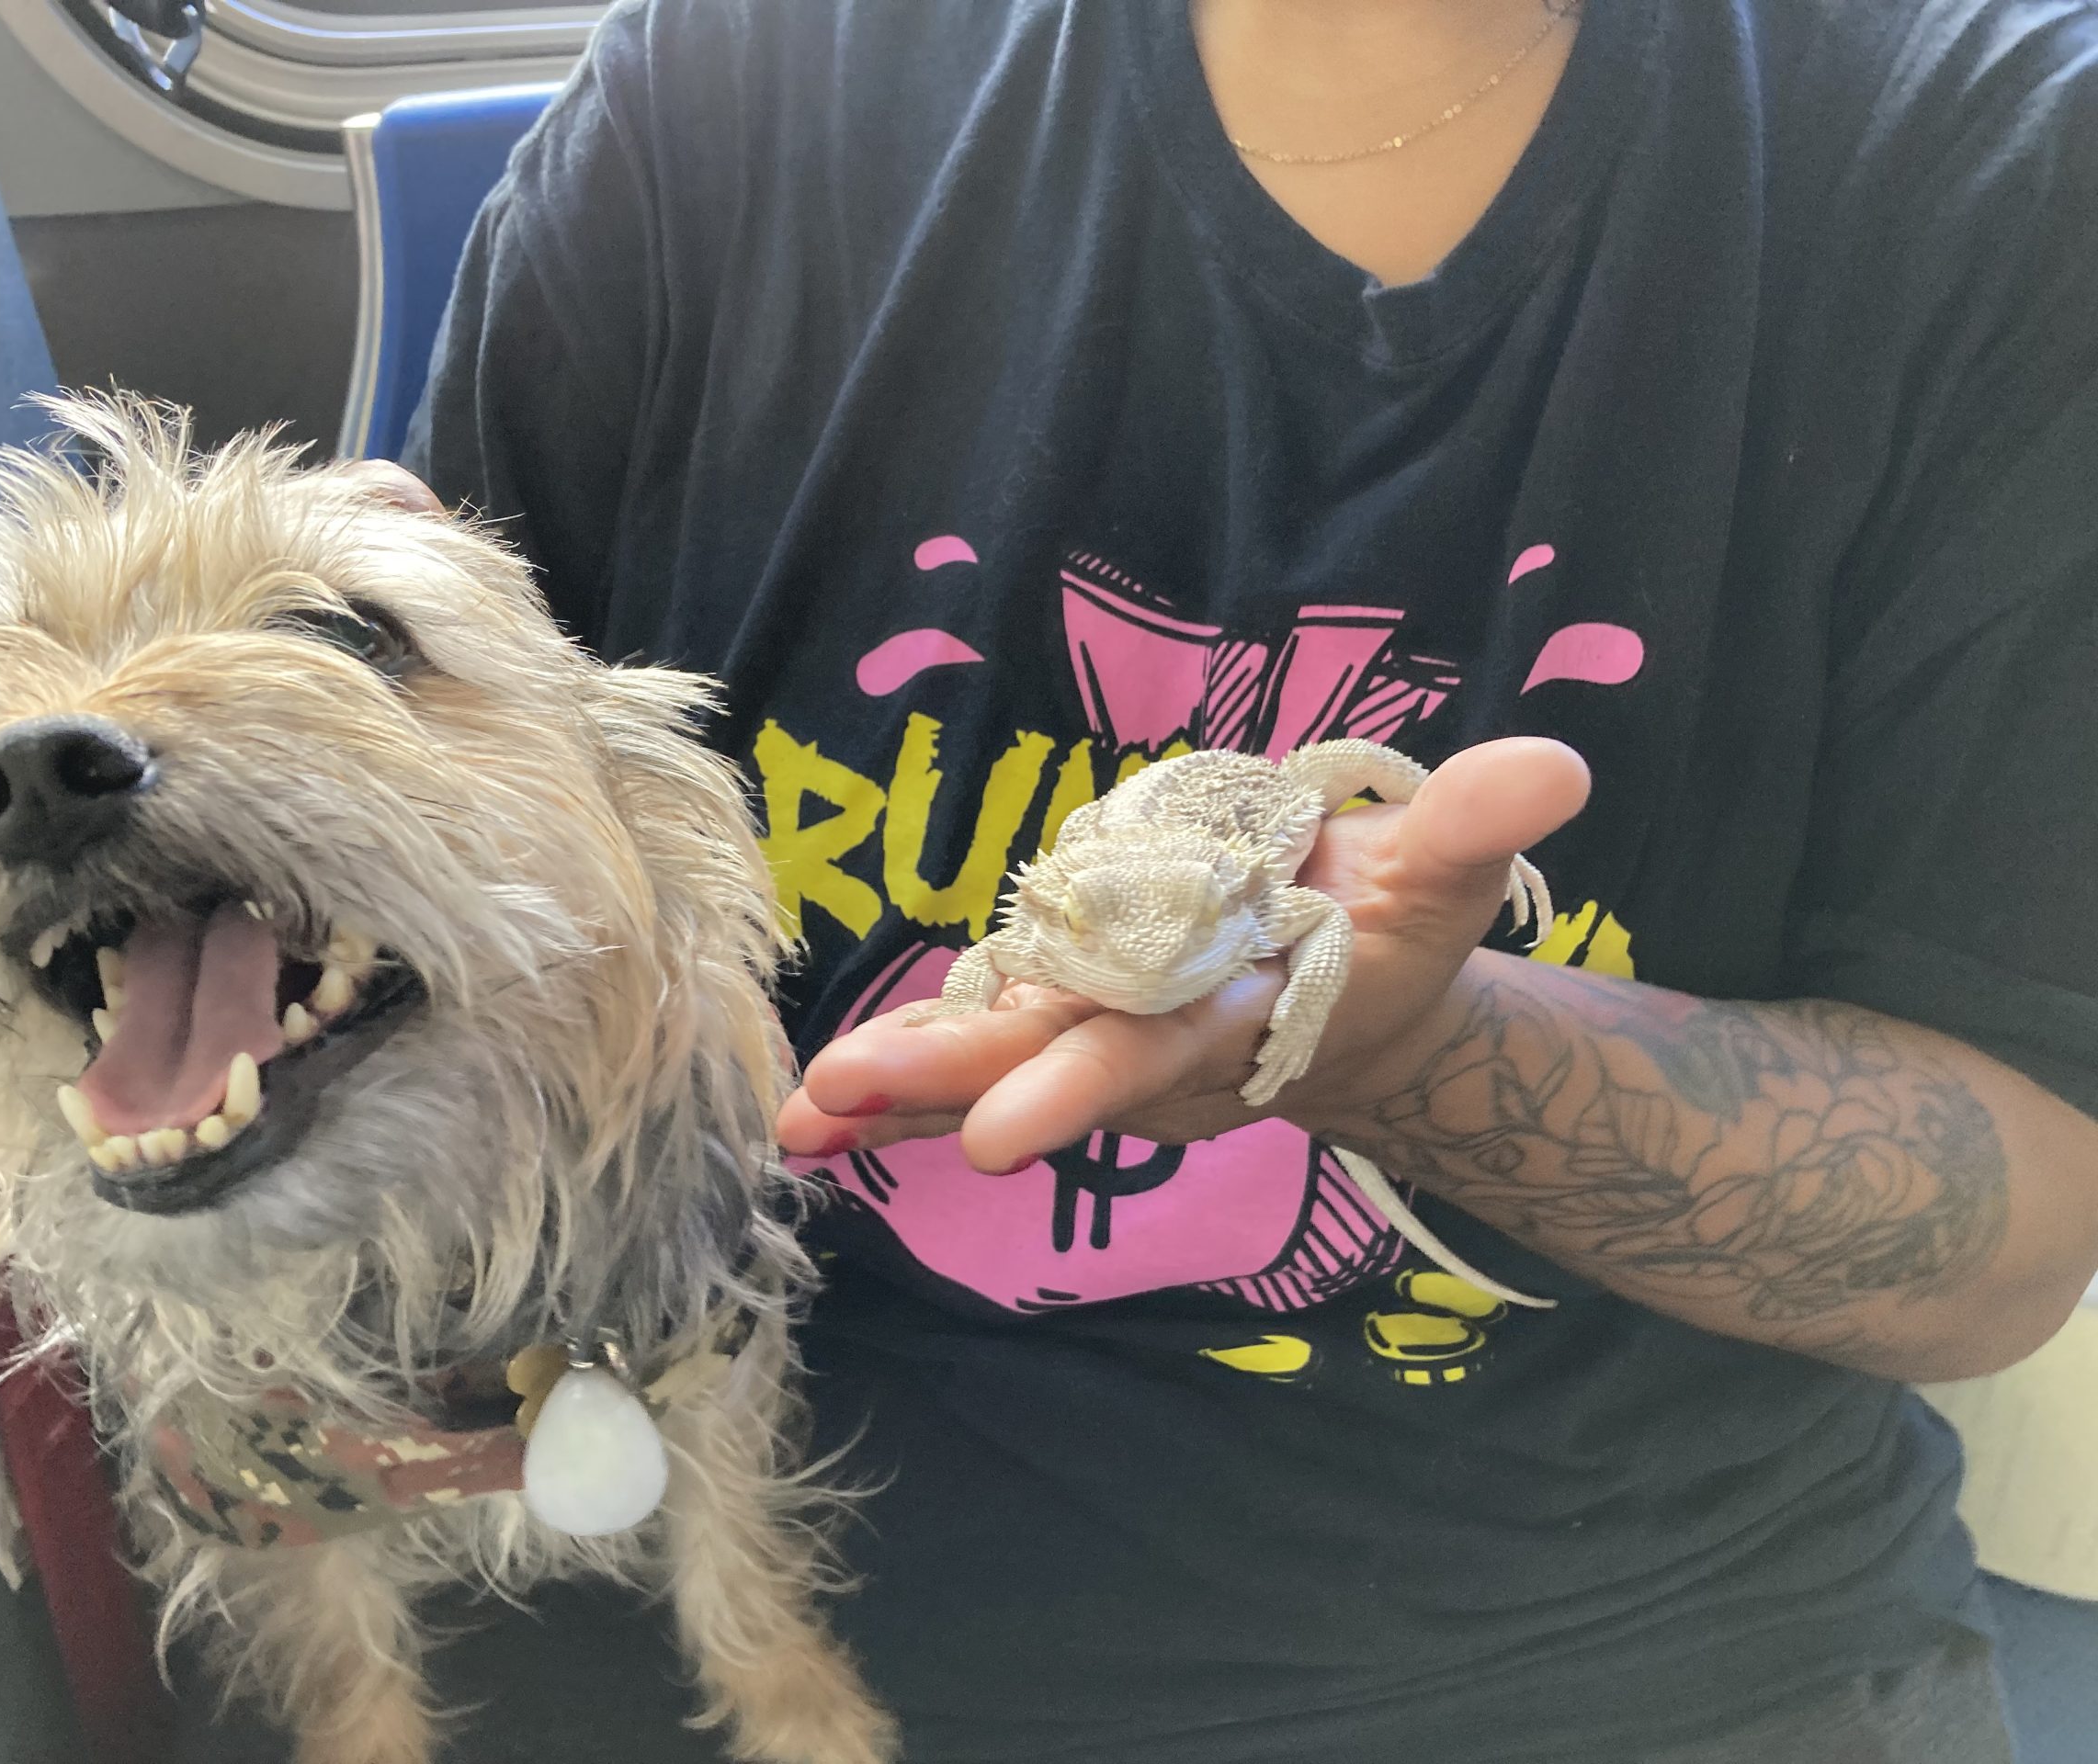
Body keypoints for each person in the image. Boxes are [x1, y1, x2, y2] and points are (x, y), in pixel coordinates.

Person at [401, 0, 2098, 1757]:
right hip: (696, 1523)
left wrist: (1410, 1051)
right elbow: (444, 802)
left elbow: (2000, 1250)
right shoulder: (724, 78)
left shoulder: (1992, 154)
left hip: (1605, 1643)